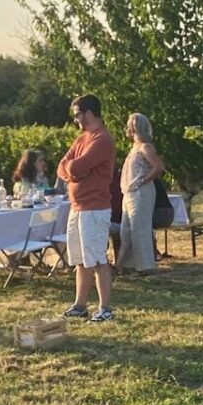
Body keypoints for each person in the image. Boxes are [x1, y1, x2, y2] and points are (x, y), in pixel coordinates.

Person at [56, 94, 116, 322]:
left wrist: (73, 170)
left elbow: (77, 165)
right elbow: (63, 167)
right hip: (78, 207)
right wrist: (73, 171)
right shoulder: (82, 138)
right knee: (81, 259)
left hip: (94, 208)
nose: (75, 120)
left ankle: (105, 308)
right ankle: (80, 305)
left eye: (77, 115)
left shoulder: (102, 140)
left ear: (89, 113)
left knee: (97, 258)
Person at [118, 113, 165, 275]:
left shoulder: (146, 147)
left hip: (140, 192)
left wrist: (142, 181)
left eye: (129, 126)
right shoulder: (135, 148)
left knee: (139, 229)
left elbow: (158, 167)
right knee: (126, 230)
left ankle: (145, 266)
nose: (127, 129)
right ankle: (127, 264)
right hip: (129, 192)